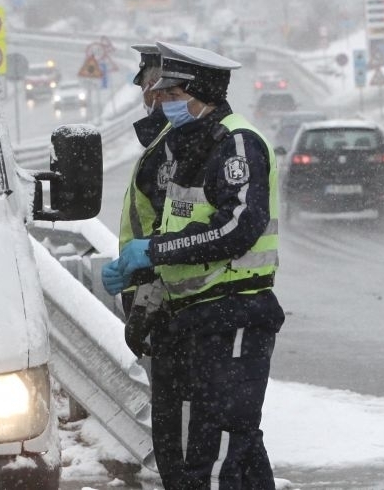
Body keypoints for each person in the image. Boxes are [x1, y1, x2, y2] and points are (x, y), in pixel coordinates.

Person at [103, 41, 285, 489]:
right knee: (195, 452)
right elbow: (173, 221)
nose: (159, 101)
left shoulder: (236, 143)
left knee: (217, 452)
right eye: (159, 93)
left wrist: (155, 251)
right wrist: (143, 277)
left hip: (233, 311)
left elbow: (239, 226)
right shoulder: (187, 143)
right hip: (191, 316)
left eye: (171, 94)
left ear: (200, 92)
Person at [103, 44, 171, 320]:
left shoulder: (172, 143)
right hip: (152, 293)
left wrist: (148, 259)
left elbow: (176, 224)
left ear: (155, 88)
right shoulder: (160, 140)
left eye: (144, 86)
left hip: (164, 298)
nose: (144, 95)